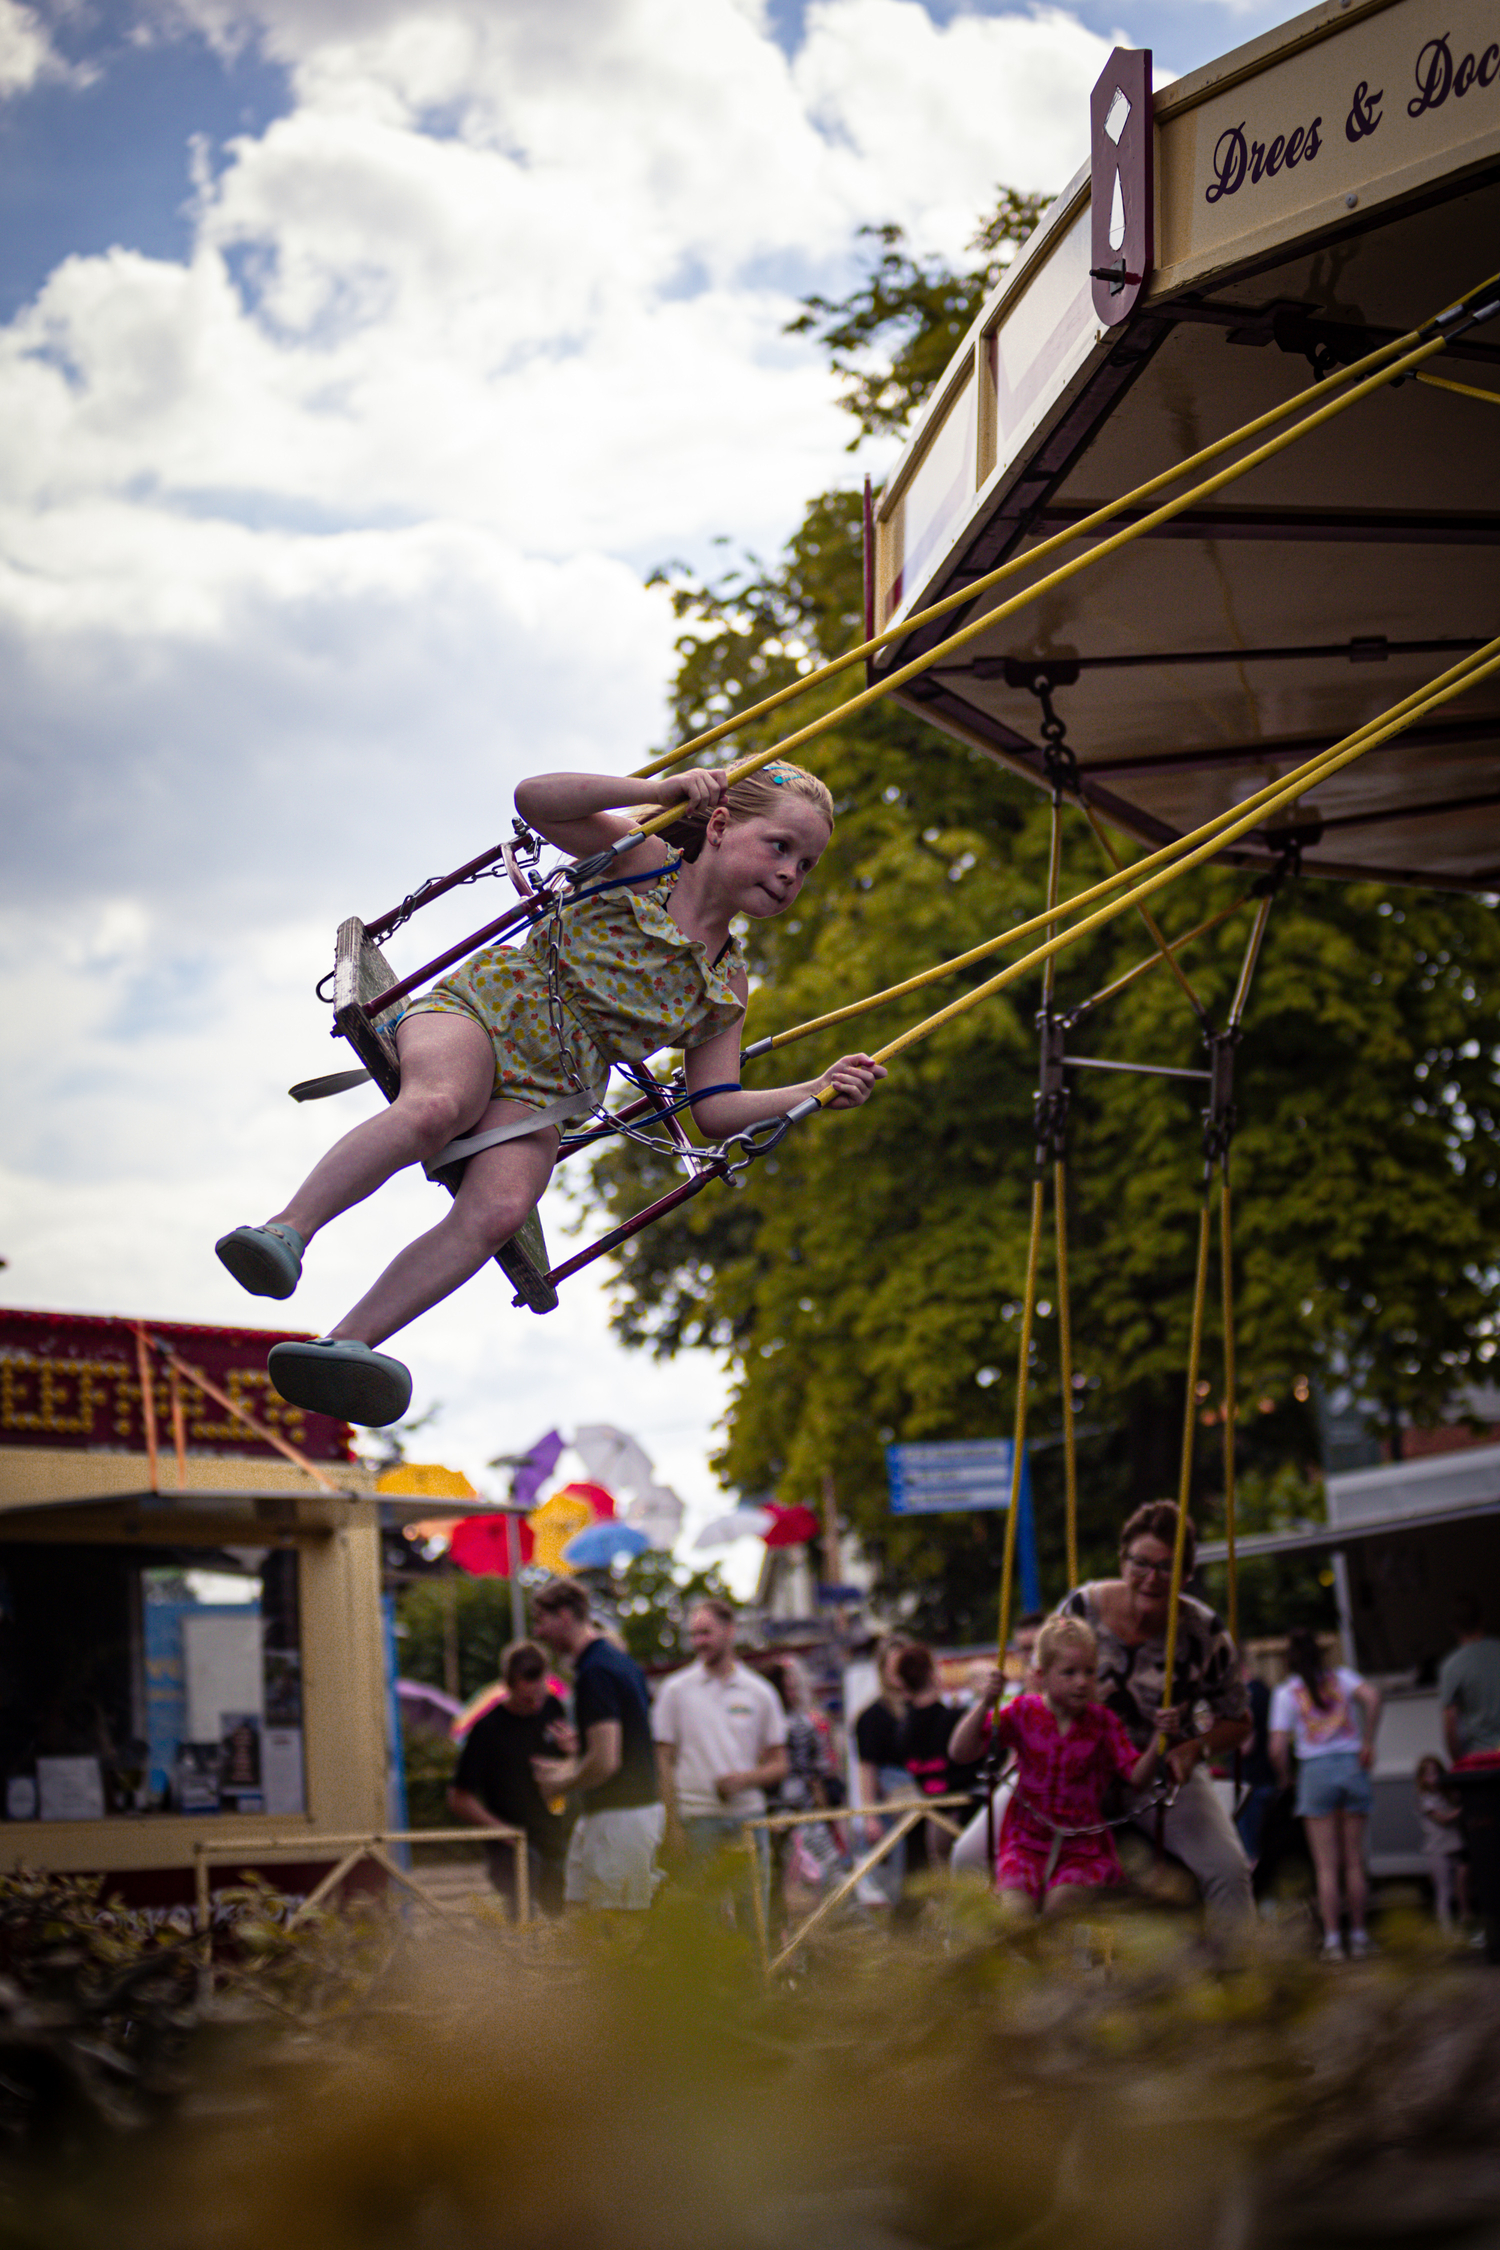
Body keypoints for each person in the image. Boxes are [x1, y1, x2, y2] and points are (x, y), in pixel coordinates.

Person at [214, 763, 885, 1427]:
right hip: (489, 1010)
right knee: (436, 1107)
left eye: (807, 864)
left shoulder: (726, 982)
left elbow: (713, 1110)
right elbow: (536, 799)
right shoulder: (644, 860)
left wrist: (812, 1090)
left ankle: (347, 1343)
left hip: (557, 1084)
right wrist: (660, 791)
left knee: (502, 1209)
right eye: (780, 846)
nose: (792, 872)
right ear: (716, 826)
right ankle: (286, 1231)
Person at [1057, 1501, 1254, 1923]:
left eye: (1166, 1568)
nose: (1151, 1578)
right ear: (1122, 1559)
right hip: (1075, 1770)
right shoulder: (1080, 1611)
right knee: (971, 1851)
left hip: (1161, 1774)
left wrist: (1195, 1749)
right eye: (1141, 1563)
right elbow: (1039, 1692)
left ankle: (1241, 1974)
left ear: (1185, 1575)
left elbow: (1238, 1721)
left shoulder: (1203, 1633)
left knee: (1228, 1869)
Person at [948, 1616, 1161, 1912]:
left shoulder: (1103, 1723)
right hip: (1025, 1841)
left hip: (1081, 1846)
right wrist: (985, 1703)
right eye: (1069, 1672)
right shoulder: (1023, 1713)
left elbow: (1137, 1776)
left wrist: (1159, 1741)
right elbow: (960, 1752)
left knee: (1060, 1907)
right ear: (1042, 1675)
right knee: (1015, 1914)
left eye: (1089, 1672)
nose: (1082, 1682)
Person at [527, 1579, 663, 1913]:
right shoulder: (614, 1662)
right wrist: (568, 1765)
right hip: (612, 1812)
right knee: (581, 1913)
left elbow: (606, 1761)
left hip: (621, 1816)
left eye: (540, 1620)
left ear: (564, 1616)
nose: (537, 1632)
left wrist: (560, 1782)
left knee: (616, 1928)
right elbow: (619, 1747)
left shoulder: (596, 1671)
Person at [652, 1600, 787, 1927]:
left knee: (754, 1918)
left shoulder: (760, 1692)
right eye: (694, 1634)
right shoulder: (675, 1690)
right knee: (703, 1925)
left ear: (730, 1631)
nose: (699, 1641)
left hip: (748, 1820)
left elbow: (780, 1764)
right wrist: (672, 1825)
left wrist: (746, 1779)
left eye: (706, 1632)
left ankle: (757, 1979)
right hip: (698, 1820)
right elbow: (663, 1760)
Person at [1268, 1628, 1381, 1960]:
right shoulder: (1343, 1678)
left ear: (1288, 1658)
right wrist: (1368, 1742)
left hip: (1315, 1773)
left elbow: (1276, 1748)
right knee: (1354, 1862)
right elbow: (1373, 1698)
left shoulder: (1287, 1691)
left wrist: (1285, 1778)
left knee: (1326, 1867)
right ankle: (1359, 1936)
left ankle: (1333, 1941)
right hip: (1351, 1766)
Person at [447, 1640, 576, 1918]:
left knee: (563, 1918)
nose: (535, 1705)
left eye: (540, 1696)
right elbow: (459, 1798)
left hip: (553, 1835)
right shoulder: (486, 1729)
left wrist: (573, 1754)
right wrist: (502, 1832)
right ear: (508, 1686)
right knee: (522, 1917)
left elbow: (573, 1768)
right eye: (526, 1699)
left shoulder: (553, 1708)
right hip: (513, 1846)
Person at [950, 1612, 1043, 1878]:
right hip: (1025, 1786)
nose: (1031, 1657)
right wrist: (985, 1702)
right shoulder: (1020, 1701)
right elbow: (959, 1750)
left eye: (1037, 1648)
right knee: (965, 1857)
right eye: (1024, 1649)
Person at [762, 1656, 844, 1904]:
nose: (794, 1692)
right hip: (799, 1814)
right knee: (825, 1875)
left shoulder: (786, 1723)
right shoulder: (800, 1723)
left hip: (785, 1815)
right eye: (789, 1687)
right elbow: (817, 1774)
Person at [893, 1643, 965, 1894]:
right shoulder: (955, 1720)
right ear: (934, 1674)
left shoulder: (902, 1729)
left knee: (943, 1889)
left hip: (933, 1817)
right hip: (962, 1813)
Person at [853, 1636, 911, 1905]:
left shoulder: (919, 1708)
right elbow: (867, 1768)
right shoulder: (871, 1717)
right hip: (892, 1807)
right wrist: (870, 1816)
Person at [1439, 1593, 1500, 1761]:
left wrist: (1458, 1762)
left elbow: (1450, 1719)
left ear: (1453, 1626)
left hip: (1481, 1756)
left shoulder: (1453, 1665)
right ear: (1482, 1619)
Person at [1234, 1653, 1280, 1873]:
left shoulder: (1243, 1697)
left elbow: (1245, 1747)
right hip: (1268, 1777)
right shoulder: (1265, 1691)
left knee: (1251, 1853)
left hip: (1249, 1781)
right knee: (1269, 1845)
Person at [1415, 1754, 1468, 1933]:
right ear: (1421, 1778)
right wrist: (1463, 1810)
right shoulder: (1426, 1799)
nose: (1433, 1778)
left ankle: (1464, 1919)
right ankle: (1446, 1929)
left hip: (1456, 1846)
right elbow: (1443, 1819)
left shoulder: (1448, 1795)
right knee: (1444, 1890)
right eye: (1428, 1774)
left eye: (1436, 1773)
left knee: (1461, 1884)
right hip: (1438, 1849)